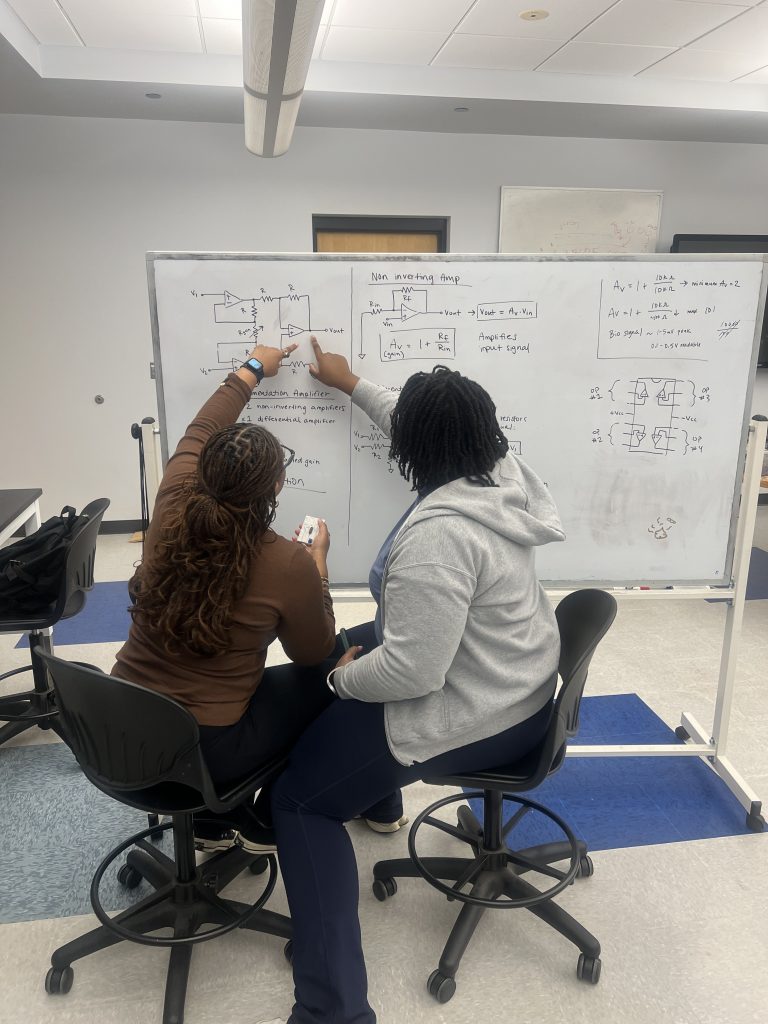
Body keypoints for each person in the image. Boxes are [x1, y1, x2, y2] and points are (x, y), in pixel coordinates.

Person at [264, 338, 566, 1024]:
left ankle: (332, 1010)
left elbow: (413, 671)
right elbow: (416, 414)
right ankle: (365, 791)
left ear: (415, 452)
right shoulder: (498, 469)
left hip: (472, 704)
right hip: (514, 674)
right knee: (337, 652)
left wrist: (344, 685)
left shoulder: (437, 541)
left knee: (303, 803)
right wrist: (351, 384)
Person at [112, 341, 346, 850]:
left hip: (118, 727)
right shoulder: (288, 563)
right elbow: (312, 653)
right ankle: (263, 818)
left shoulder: (172, 500)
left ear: (201, 471)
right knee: (339, 675)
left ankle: (213, 825)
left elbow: (202, 427)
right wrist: (319, 571)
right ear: (277, 487)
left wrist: (252, 369)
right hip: (206, 752)